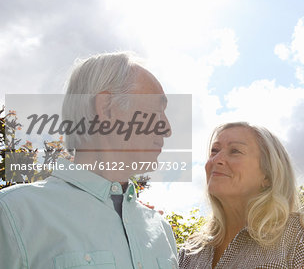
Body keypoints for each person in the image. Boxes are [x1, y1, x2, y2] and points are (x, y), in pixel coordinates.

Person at [0, 52, 178, 268]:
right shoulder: (13, 213)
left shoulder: (162, 230)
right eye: (156, 110)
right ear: (106, 108)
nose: (167, 129)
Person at [178, 122, 304, 269]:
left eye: (235, 151)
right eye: (214, 151)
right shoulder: (191, 250)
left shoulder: (298, 237)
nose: (217, 159)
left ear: (268, 176)